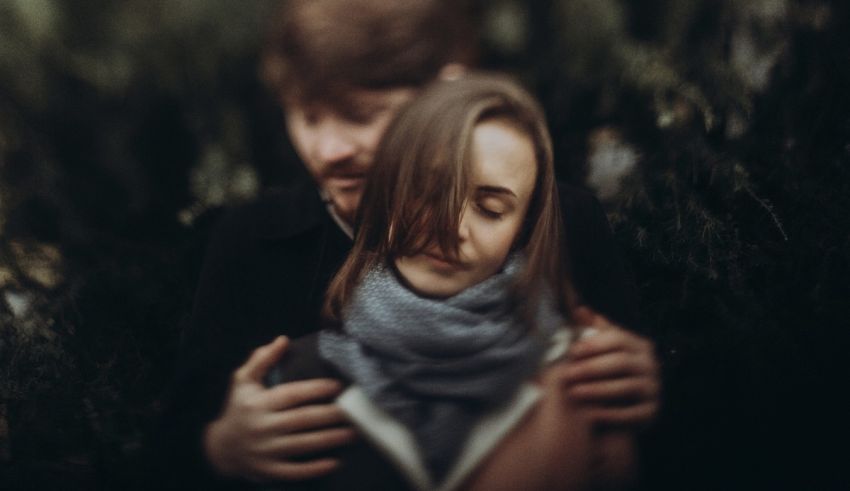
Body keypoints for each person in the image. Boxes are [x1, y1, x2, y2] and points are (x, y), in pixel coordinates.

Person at [157, 0, 659, 487]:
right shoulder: (252, 241)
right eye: (308, 116)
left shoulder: (561, 220)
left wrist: (640, 390)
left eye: (361, 114)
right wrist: (219, 446)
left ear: (448, 88)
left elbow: (654, 445)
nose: (328, 150)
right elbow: (170, 447)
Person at [264, 74, 637, 491]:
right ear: (388, 191)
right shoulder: (295, 387)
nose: (451, 227)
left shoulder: (582, 383)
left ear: (522, 231)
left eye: (491, 208)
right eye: (430, 191)